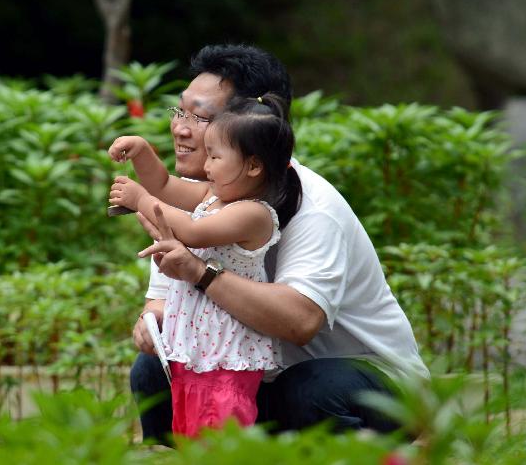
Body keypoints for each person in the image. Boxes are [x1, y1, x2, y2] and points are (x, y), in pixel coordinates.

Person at [129, 44, 429, 443]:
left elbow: (299, 322)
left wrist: (200, 273)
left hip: (365, 379)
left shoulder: (313, 206)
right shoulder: (195, 199)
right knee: (153, 369)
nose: (181, 128)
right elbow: (162, 299)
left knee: (311, 389)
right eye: (180, 111)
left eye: (200, 117)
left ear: (254, 130)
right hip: (260, 375)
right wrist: (152, 322)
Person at [108, 93, 301, 438]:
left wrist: (140, 200)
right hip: (199, 345)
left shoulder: (253, 213)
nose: (206, 166)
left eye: (214, 156)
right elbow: (165, 186)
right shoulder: (214, 195)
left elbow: (194, 232)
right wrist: (142, 151)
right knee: (192, 427)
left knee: (219, 429)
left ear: (254, 166)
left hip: (226, 351)